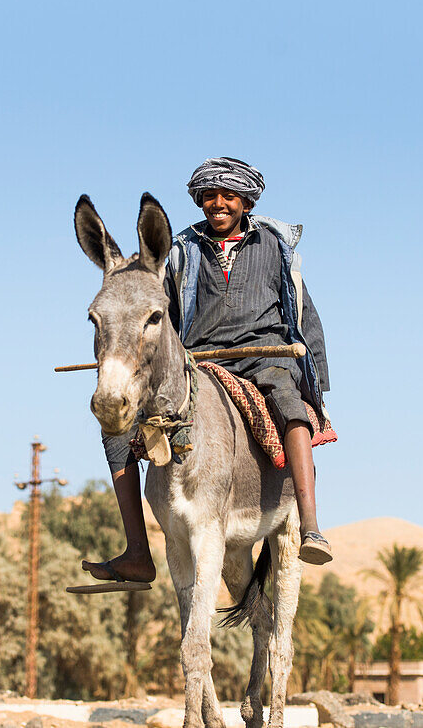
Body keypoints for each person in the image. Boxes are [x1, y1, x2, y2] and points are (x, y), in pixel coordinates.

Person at [81, 157, 332, 586]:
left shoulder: (274, 246)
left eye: (228, 195)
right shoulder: (183, 250)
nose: (218, 203)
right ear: (199, 201)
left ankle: (309, 524)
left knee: (291, 407)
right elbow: (163, 319)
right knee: (118, 434)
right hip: (201, 360)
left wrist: (316, 382)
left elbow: (303, 313)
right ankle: (138, 552)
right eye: (209, 196)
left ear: (246, 201)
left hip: (265, 356)